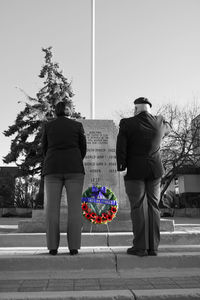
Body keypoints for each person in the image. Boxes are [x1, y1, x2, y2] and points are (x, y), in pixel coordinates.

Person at [116, 97, 171, 256]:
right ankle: (153, 247)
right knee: (154, 206)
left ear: (136, 109)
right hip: (155, 171)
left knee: (138, 207)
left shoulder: (127, 123)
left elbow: (121, 147)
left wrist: (122, 165)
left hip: (135, 171)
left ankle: (140, 247)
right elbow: (169, 128)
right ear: (149, 109)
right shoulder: (160, 122)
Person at [42, 101, 86, 256]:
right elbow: (83, 148)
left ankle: (52, 247)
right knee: (75, 209)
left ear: (56, 111)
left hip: (52, 168)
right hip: (74, 169)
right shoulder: (77, 126)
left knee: (52, 210)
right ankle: (73, 247)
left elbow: (44, 148)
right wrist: (74, 158)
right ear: (69, 111)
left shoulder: (48, 126)